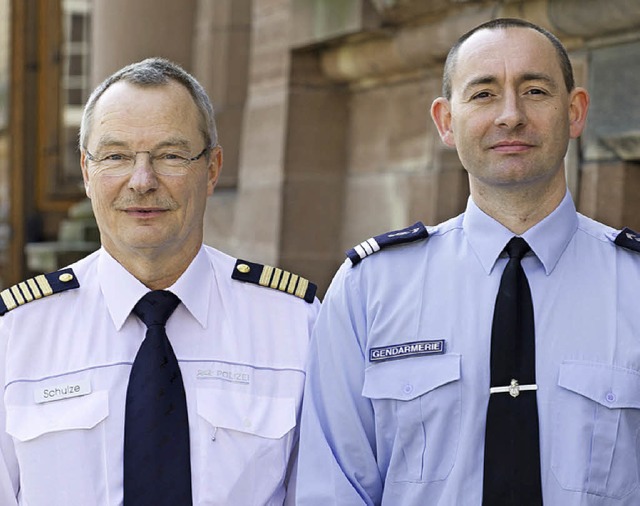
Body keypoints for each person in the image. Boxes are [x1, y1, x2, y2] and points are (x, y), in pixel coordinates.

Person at [296, 18, 640, 506]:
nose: (510, 115)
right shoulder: (370, 289)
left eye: (535, 90)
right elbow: (331, 490)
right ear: (445, 122)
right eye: (483, 94)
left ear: (575, 111)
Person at [0, 57, 319, 505]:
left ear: (211, 170)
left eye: (170, 155)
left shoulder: (292, 325)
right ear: (87, 172)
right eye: (116, 156)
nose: (142, 181)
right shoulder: (16, 334)